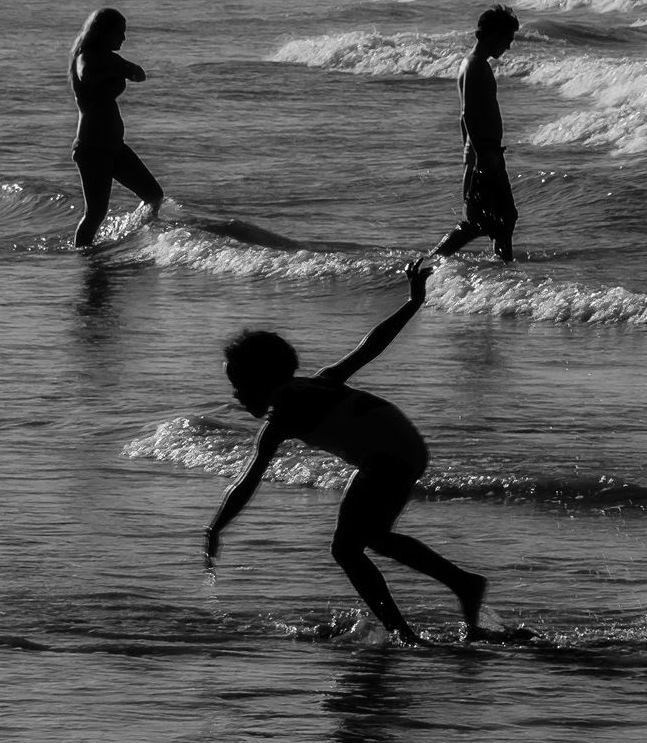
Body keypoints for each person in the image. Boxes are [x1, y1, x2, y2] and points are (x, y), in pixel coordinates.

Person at [204, 259, 489, 645]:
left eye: (238, 384)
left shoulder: (283, 420)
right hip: (397, 449)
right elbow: (370, 346)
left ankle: (410, 627)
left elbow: (246, 481)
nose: (235, 394)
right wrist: (413, 301)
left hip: (392, 456)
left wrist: (215, 527)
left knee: (350, 546)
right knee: (363, 541)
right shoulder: (319, 382)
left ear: (260, 381)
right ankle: (455, 589)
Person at [431, 5, 520, 261]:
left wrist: (469, 153)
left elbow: (463, 118)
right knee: (478, 222)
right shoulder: (474, 65)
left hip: (486, 152)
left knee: (501, 218)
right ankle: (431, 261)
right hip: (485, 155)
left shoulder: (476, 64)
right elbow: (468, 113)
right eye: (508, 40)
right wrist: (479, 157)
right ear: (494, 35)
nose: (508, 47)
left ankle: (504, 267)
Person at [69, 6, 163, 247]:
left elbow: (139, 74)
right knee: (95, 213)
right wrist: (119, 68)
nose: (124, 38)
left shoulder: (110, 57)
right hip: (92, 148)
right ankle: (84, 258)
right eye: (119, 32)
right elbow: (87, 74)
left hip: (115, 147)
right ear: (103, 32)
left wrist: (125, 67)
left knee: (153, 195)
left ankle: (132, 237)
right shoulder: (86, 56)